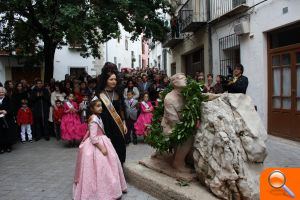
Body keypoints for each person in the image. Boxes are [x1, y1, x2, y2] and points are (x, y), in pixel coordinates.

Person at [73, 99, 127, 200]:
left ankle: (109, 188)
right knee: (100, 168)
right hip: (97, 145)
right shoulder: (93, 120)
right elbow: (93, 138)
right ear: (92, 109)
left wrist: (105, 137)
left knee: (107, 167)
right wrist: (102, 148)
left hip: (102, 140)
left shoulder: (98, 117)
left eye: (101, 105)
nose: (100, 107)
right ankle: (100, 192)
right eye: (98, 106)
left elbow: (99, 131)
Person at [96, 62, 128, 165]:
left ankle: (120, 168)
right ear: (105, 80)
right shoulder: (99, 94)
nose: (114, 81)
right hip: (106, 125)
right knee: (109, 147)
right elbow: (95, 111)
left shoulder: (118, 92)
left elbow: (121, 108)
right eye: (111, 79)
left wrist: (123, 122)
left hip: (117, 124)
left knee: (120, 146)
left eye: (115, 79)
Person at [0, 87, 16, 153]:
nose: (1, 93)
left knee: (8, 133)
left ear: (5, 93)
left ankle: (8, 147)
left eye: (2, 92)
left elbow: (12, 109)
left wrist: (6, 111)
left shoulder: (8, 99)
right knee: (0, 134)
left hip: (7, 119)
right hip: (0, 120)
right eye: (0, 92)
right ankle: (1, 148)